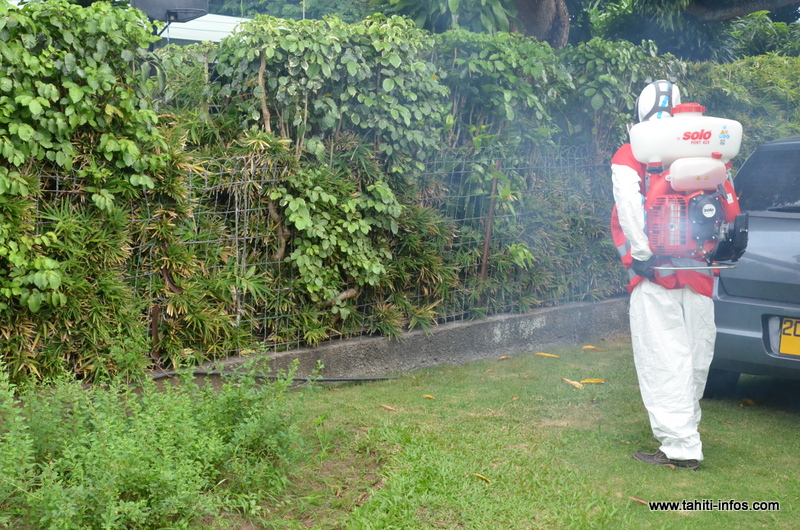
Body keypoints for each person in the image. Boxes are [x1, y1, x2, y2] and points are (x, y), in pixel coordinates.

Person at [610, 80, 717, 471]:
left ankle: (680, 446)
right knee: (694, 355)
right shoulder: (706, 152)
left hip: (655, 274)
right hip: (700, 273)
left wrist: (641, 255)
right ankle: (687, 430)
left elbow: (628, 205)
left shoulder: (631, 153)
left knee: (663, 356)